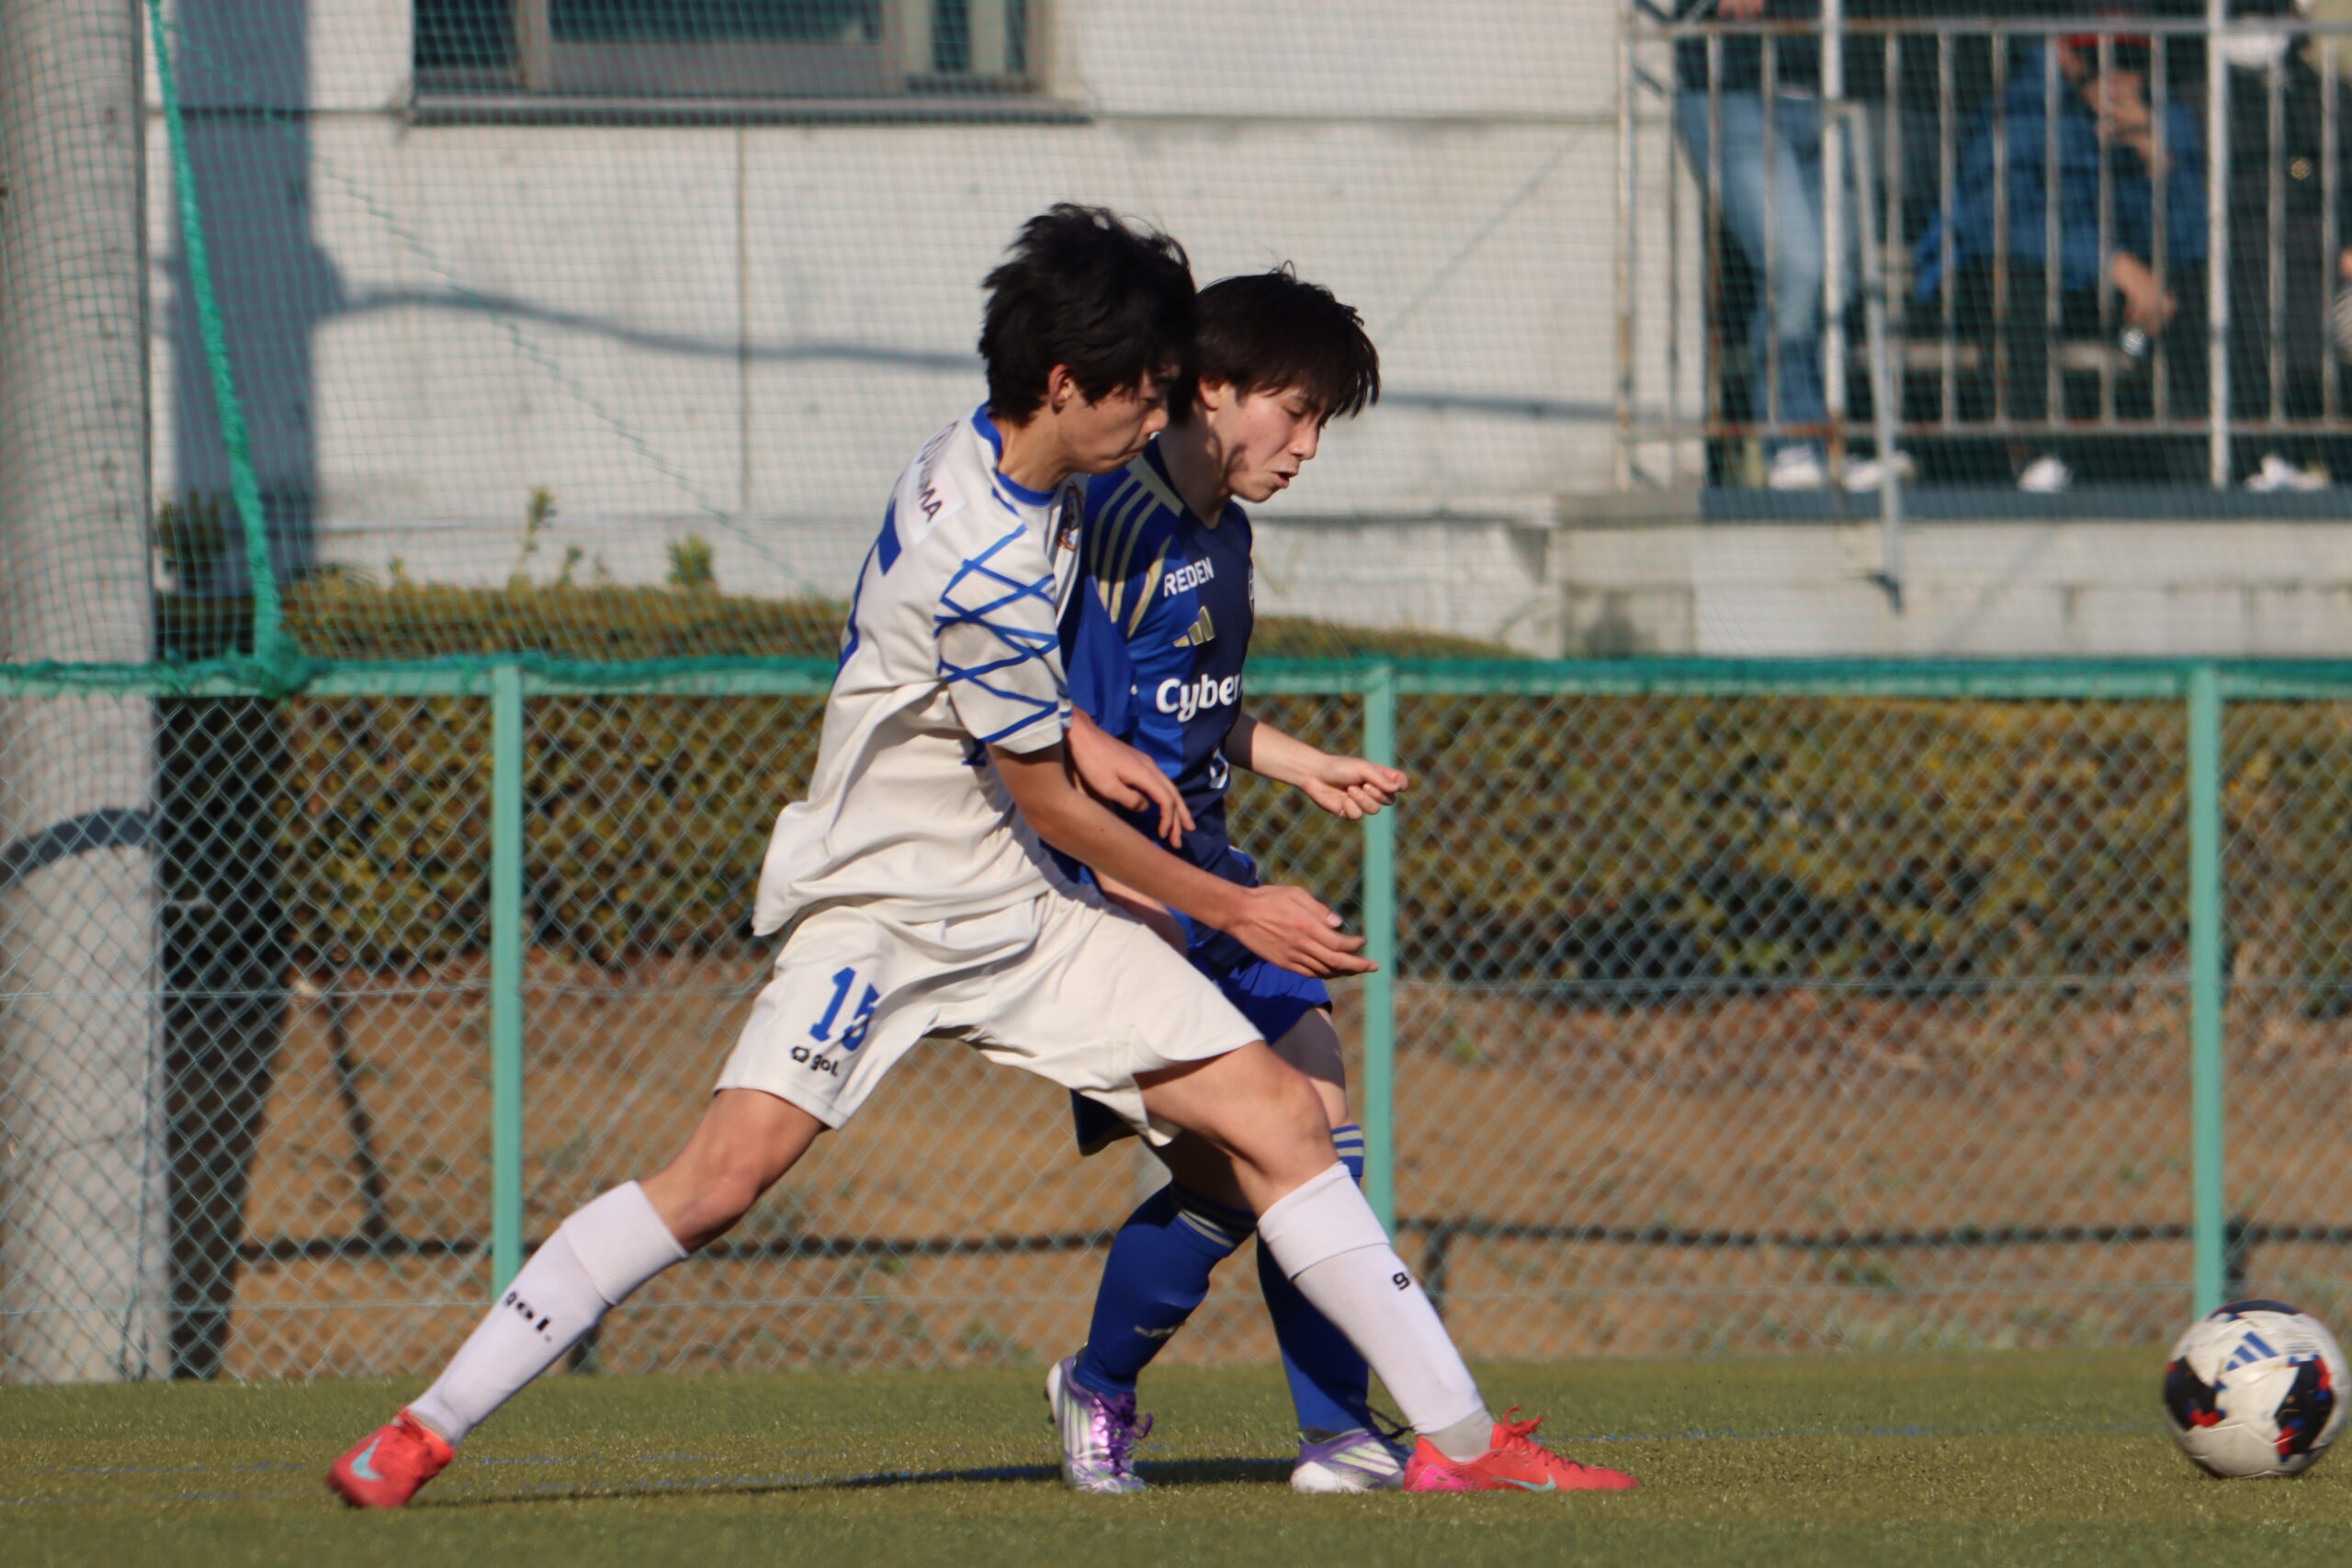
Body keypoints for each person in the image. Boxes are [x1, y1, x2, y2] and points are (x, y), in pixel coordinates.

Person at [322, 205, 1636, 1508]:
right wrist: (1235, 904)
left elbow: (1010, 710)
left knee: (1287, 1122)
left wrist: (1088, 731)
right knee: (719, 1181)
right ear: (1067, 383)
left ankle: (1455, 1441)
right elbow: (1052, 801)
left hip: (1022, 911)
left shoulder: (1001, 465)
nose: (1160, 416)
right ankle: (427, 1424)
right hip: (887, 907)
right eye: (1146, 391)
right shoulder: (991, 556)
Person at [1042, 269, 1415, 1495]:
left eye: (1320, 424)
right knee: (1246, 1165)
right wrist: (1139, 915)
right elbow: (1064, 737)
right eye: (1294, 413)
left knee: (1312, 1142)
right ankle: (1103, 1385)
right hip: (1126, 887)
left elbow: (1195, 708)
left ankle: (1336, 1435)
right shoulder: (1112, 521)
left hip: (1210, 869)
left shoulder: (1227, 531)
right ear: (1211, 387)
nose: (1306, 448)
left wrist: (1304, 764)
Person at [1914, 34, 2208, 490]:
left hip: (2095, 294)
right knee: (2018, 279)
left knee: (2194, 286)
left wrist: (2155, 161)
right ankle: (2035, 459)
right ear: (2067, 58)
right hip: (1983, 285)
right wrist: (2113, 263)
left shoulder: (2158, 118)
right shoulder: (2021, 111)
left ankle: (2220, 467)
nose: (2120, 77)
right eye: (2102, 60)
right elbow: (2001, 223)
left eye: (2132, 61)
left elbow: (2190, 239)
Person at [1673, 0, 1911, 490]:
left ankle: (1828, 444)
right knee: (1797, 268)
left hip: (1822, 93)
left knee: (1839, 278)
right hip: (1733, 89)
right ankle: (1791, 442)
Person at [2221, 0, 2352, 490]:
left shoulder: (2323, 96)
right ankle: (2270, 458)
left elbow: (2332, 177)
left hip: (2324, 263)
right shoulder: (2204, 94)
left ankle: (2332, 463)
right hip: (2245, 262)